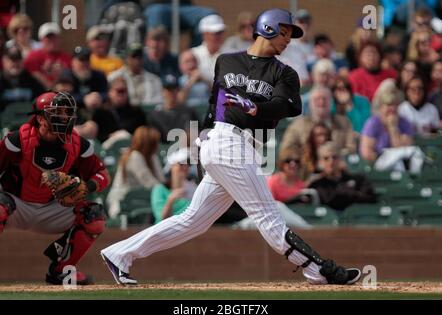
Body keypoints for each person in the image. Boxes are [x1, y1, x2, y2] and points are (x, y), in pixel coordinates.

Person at [101, 8, 361, 286]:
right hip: (223, 142)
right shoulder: (226, 61)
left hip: (245, 145)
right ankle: (319, 270)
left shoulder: (284, 73)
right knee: (268, 217)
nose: (289, 39)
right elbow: (214, 106)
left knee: (193, 220)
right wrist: (202, 140)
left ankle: (118, 253)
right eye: (285, 32)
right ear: (268, 28)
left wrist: (255, 107)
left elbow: (288, 105)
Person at [0, 91, 110, 285]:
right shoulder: (17, 140)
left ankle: (61, 272)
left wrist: (87, 185)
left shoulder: (79, 145)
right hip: (15, 205)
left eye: (67, 112)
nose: (65, 117)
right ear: (41, 118)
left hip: (53, 206)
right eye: (58, 112)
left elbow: (102, 174)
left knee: (95, 216)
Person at [360, 80, 423, 173]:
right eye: (388, 105)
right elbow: (366, 153)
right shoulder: (373, 123)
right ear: (381, 108)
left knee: (409, 158)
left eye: (394, 105)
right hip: (377, 167)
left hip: (402, 165)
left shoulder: (404, 123)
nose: (391, 109)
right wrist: (383, 156)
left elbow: (403, 149)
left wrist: (392, 127)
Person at [106, 126, 165, 219]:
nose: (157, 146)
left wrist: (153, 157)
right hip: (123, 203)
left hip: (141, 200)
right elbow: (151, 183)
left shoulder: (151, 157)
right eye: (154, 143)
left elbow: (162, 180)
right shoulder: (134, 156)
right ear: (147, 144)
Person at [280, 86, 356, 155]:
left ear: (331, 102)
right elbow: (286, 148)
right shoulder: (298, 125)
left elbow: (352, 148)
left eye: (324, 99)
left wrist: (333, 154)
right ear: (310, 103)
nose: (321, 102)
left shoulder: (343, 122)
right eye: (317, 99)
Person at [308, 142, 377, 212]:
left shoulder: (359, 179)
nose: (331, 161)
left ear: (340, 159)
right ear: (320, 162)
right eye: (326, 158)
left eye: (334, 157)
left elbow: (370, 199)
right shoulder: (317, 184)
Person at [91, 77, 147, 143]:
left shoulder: (137, 112)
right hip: (107, 147)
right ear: (110, 92)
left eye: (124, 91)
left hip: (132, 145)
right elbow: (96, 137)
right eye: (119, 91)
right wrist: (110, 136)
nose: (121, 94)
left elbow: (144, 133)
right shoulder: (100, 113)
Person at [148, 74, 200, 143]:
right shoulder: (155, 116)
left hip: (186, 150)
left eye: (175, 89)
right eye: (168, 89)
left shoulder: (189, 112)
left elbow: (197, 135)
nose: (172, 93)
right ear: (162, 91)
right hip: (164, 151)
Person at [151, 148, 197, 224]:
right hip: (164, 232)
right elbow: (161, 218)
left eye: (188, 164)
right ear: (171, 167)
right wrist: (171, 200)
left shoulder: (193, 188)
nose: (185, 167)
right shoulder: (159, 189)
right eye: (181, 164)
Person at [23, 22, 71, 89]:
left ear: (59, 39)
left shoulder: (66, 57)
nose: (52, 41)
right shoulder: (33, 56)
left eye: (54, 37)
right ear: (41, 39)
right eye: (48, 38)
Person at [60, 46, 108, 111]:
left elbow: (106, 92)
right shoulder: (66, 76)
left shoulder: (98, 75)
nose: (85, 63)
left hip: (96, 111)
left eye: (87, 59)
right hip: (74, 113)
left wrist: (98, 97)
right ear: (73, 61)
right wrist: (83, 99)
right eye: (81, 60)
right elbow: (64, 96)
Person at [0, 45, 45, 111]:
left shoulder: (31, 81)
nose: (15, 63)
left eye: (18, 59)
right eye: (11, 59)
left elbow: (42, 100)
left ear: (22, 61)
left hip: (27, 120)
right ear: (3, 61)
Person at [191, 14, 226, 84]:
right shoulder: (193, 54)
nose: (219, 36)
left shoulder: (231, 54)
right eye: (215, 33)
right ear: (204, 34)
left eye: (221, 32)